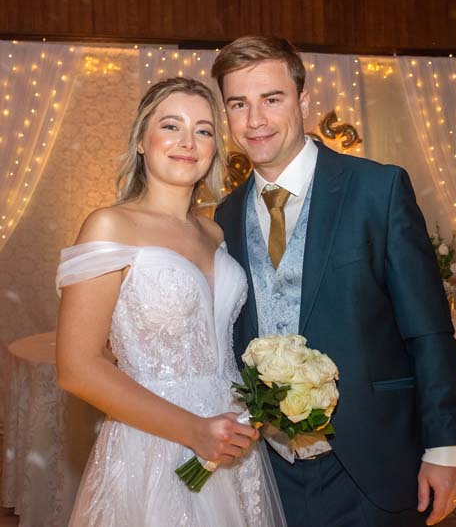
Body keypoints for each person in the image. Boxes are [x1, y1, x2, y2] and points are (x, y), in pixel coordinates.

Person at [212, 36, 456, 527]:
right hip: (266, 470)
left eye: (272, 98)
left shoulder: (378, 188)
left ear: (303, 100)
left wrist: (444, 449)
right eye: (238, 104)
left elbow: (429, 331)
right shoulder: (225, 214)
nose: (255, 120)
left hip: (371, 460)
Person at [55, 77, 286, 527]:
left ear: (215, 148)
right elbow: (76, 367)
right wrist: (193, 430)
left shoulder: (215, 232)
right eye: (171, 126)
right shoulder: (109, 225)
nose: (188, 142)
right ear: (142, 140)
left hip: (231, 440)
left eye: (203, 130)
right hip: (153, 443)